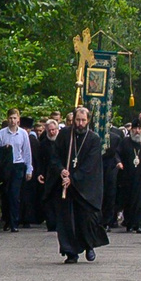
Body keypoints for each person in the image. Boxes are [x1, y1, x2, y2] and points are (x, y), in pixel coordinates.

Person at [53, 105, 109, 262]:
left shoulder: (94, 139)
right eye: (77, 120)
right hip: (66, 186)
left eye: (83, 120)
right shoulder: (65, 135)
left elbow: (90, 165)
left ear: (88, 120)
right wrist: (61, 170)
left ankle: (89, 246)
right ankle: (71, 252)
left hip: (85, 188)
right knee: (67, 221)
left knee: (86, 219)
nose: (80, 123)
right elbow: (55, 156)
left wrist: (73, 178)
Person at [0, 110, 33, 231]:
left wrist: (29, 169)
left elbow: (27, 152)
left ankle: (14, 222)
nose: (12, 121)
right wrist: (4, 149)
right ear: (7, 119)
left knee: (14, 194)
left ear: (18, 119)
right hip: (5, 167)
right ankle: (7, 220)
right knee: (6, 194)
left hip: (18, 166)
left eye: (14, 118)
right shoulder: (1, 133)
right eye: (10, 118)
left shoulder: (23, 134)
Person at [110, 112, 141, 232]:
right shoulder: (125, 142)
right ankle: (129, 223)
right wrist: (119, 162)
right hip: (128, 176)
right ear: (131, 130)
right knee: (129, 201)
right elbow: (117, 153)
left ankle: (139, 224)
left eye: (140, 129)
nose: (137, 131)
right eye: (135, 129)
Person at [30, 114, 66, 232]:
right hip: (48, 175)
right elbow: (40, 159)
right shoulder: (44, 143)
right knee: (49, 199)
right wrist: (40, 173)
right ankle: (51, 223)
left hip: (61, 174)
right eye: (49, 130)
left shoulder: (63, 141)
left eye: (53, 130)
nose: (52, 132)